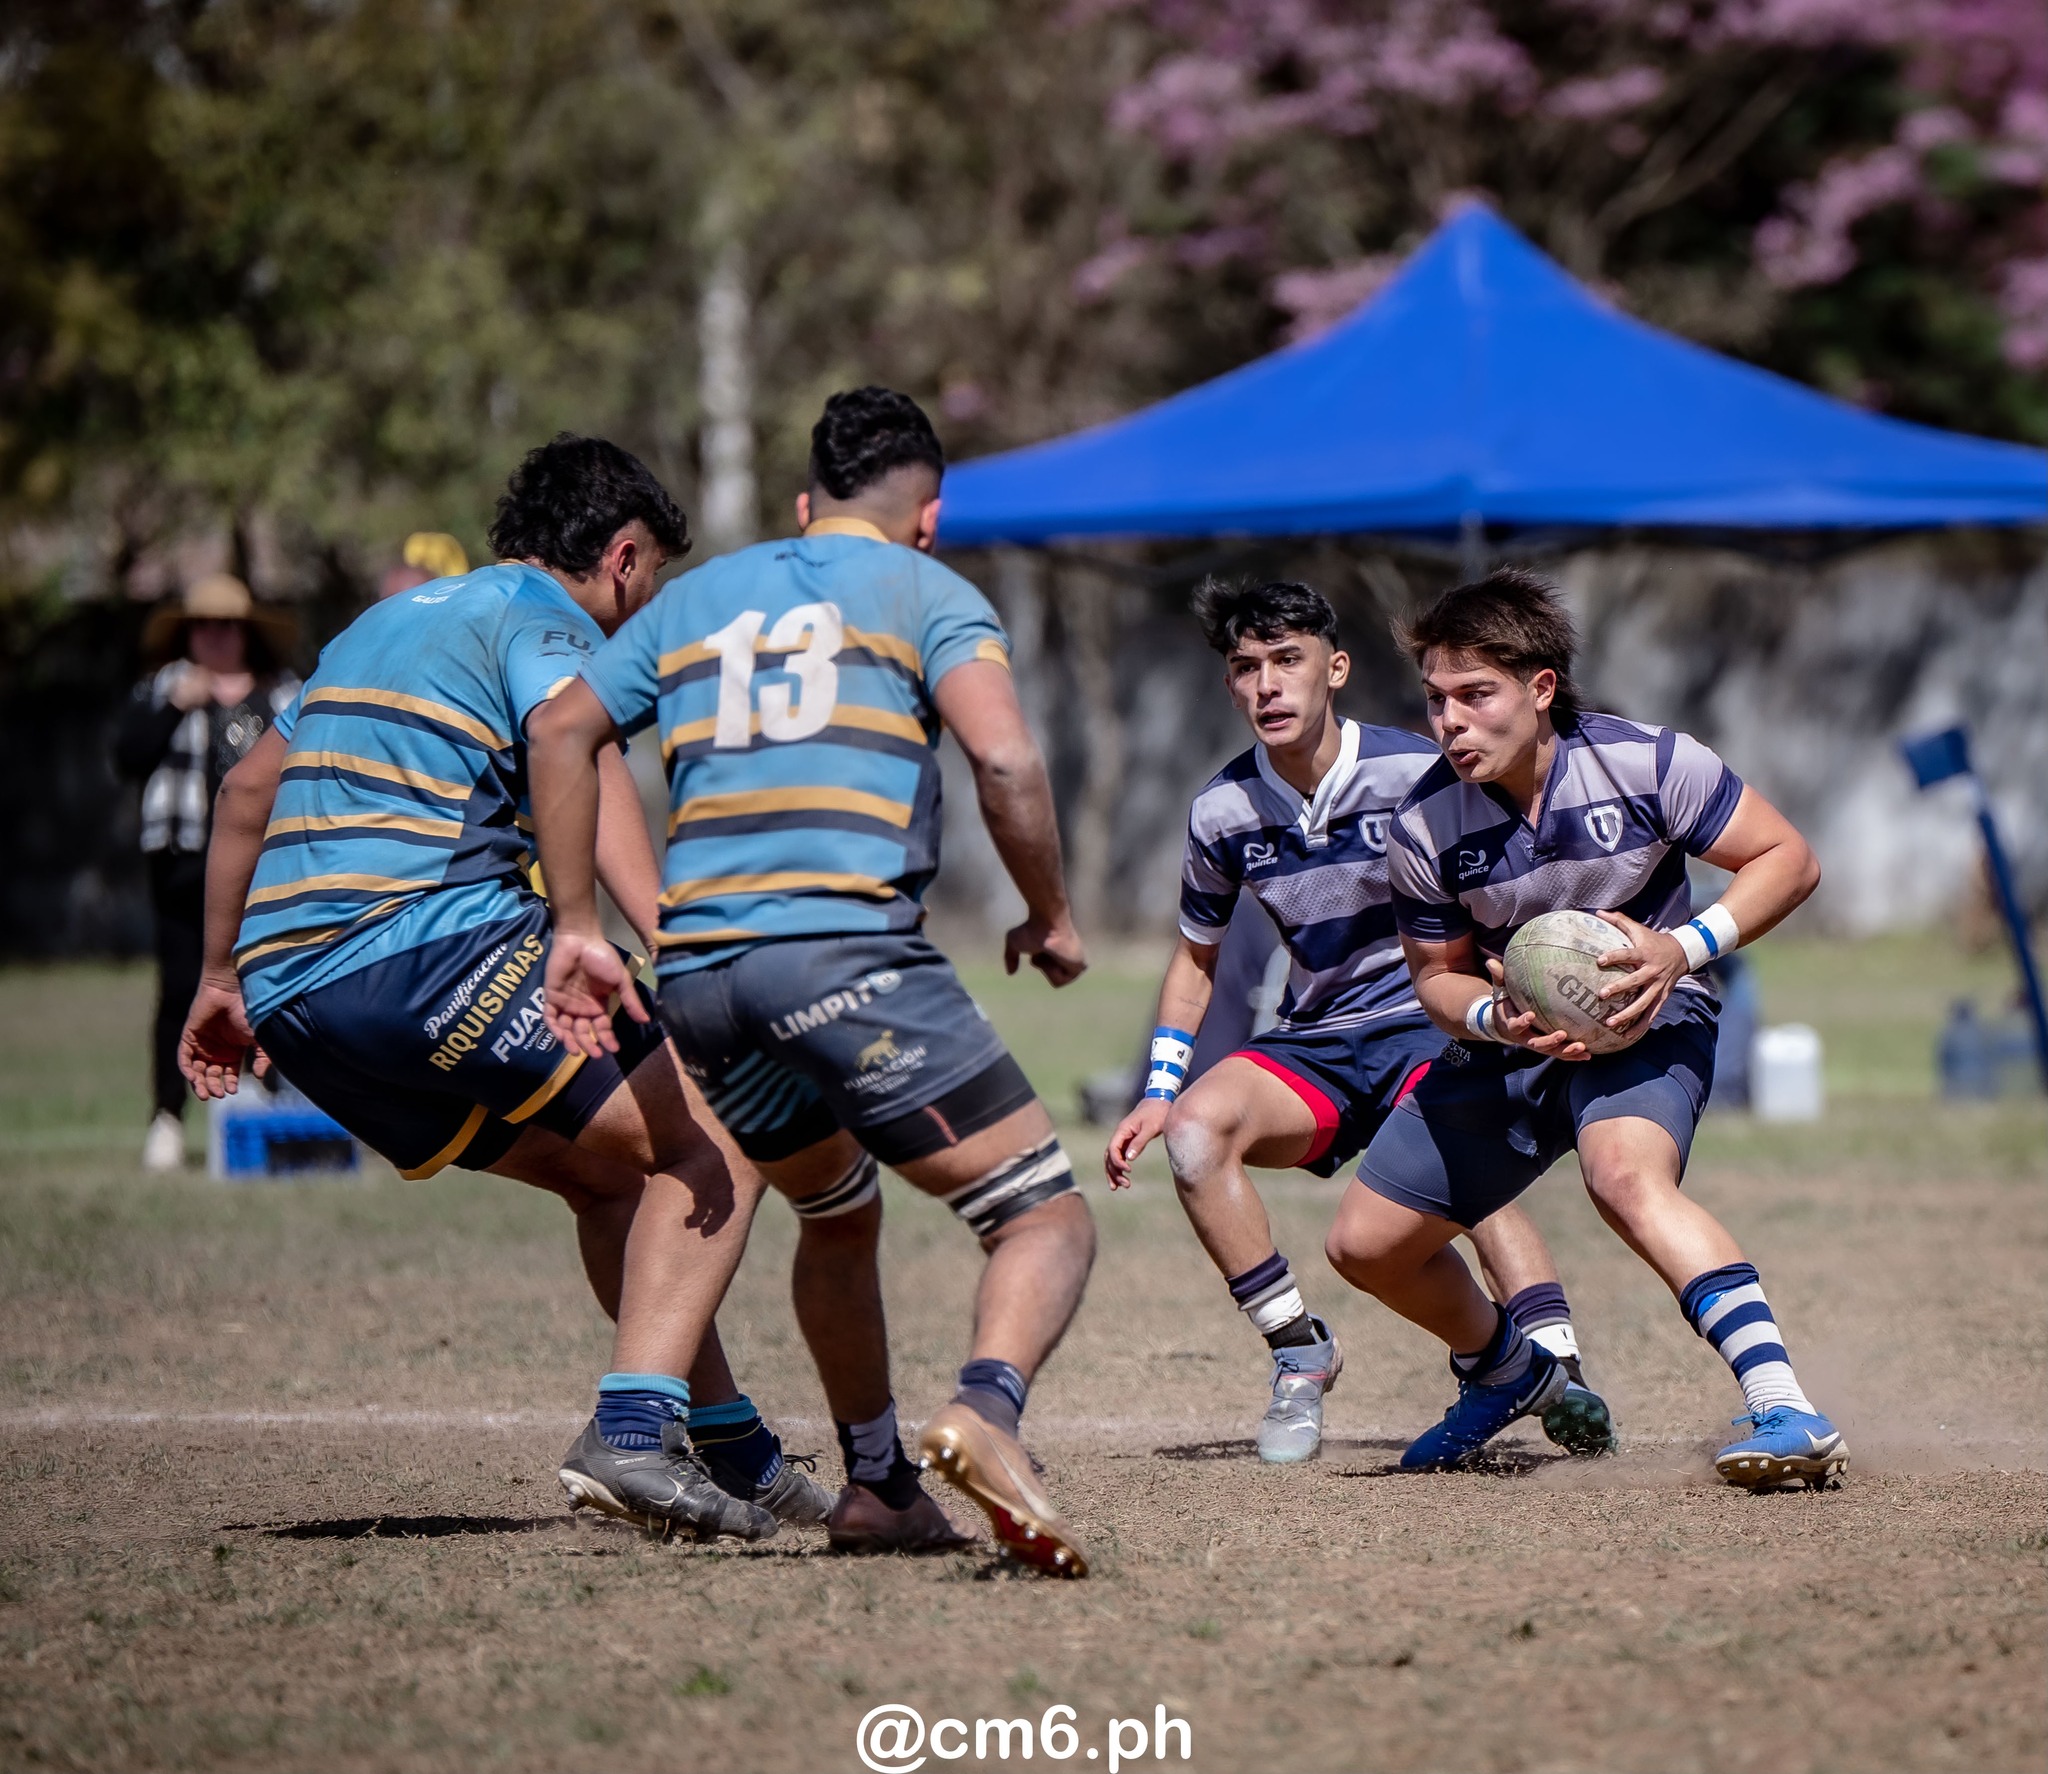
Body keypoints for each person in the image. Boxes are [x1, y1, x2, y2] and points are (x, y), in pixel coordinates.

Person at [178, 434, 832, 1541]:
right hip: (423, 948)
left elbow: (247, 790)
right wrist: (658, 939)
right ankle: (630, 1439)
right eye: (651, 581)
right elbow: (576, 747)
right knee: (735, 1113)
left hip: (299, 1005)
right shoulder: (547, 618)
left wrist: (217, 976)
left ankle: (731, 1448)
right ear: (622, 558)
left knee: (613, 1177)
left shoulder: (377, 626)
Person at [529, 387, 1099, 1574]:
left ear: (803, 507)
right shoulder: (928, 592)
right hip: (840, 956)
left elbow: (560, 732)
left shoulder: (693, 598)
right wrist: (1048, 914)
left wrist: (577, 922)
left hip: (699, 980)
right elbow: (1003, 757)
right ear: (927, 519)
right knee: (1041, 1213)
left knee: (836, 1207)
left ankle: (879, 1487)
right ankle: (987, 1414)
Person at [1326, 568, 1847, 1488]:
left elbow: (1788, 859)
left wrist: (1681, 949)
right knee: (1364, 1246)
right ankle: (1509, 1371)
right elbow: (1437, 979)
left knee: (1623, 1178)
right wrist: (1496, 1019)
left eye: (1475, 695)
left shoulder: (1650, 764)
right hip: (1511, 1042)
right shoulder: (1423, 825)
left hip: (1651, 1012)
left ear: (1541, 688)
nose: (1449, 721)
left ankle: (1784, 1405)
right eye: (1437, 699)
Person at [1106, 579, 1614, 1464]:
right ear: (1229, 684)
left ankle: (1557, 1366)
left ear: (1335, 669)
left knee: (1465, 1177)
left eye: (1287, 660)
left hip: (1434, 1022)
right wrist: (1158, 1088)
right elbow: (1196, 959)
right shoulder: (1221, 812)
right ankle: (1300, 1350)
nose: (1268, 684)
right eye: (1246, 667)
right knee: (1193, 1133)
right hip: (1319, 1039)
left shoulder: (1416, 770)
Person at [114, 573, 299, 1172]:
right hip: (184, 860)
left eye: (227, 625)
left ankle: (266, 1105)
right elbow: (126, 758)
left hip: (268, 862)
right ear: (187, 632)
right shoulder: (163, 687)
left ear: (247, 632)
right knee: (180, 987)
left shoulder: (283, 693)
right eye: (202, 624)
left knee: (268, 980)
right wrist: (175, 705)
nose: (214, 635)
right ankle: (167, 1116)